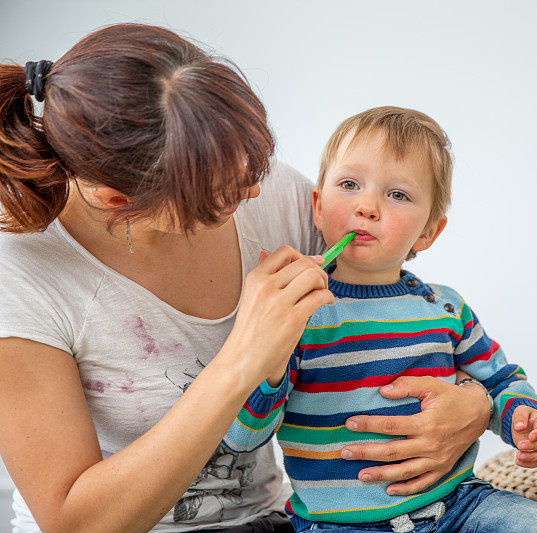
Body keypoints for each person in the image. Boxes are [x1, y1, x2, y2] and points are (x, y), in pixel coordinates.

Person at [0, 25, 495, 532]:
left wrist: (477, 403)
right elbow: (73, 523)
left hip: (279, 520)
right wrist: (243, 357)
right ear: (116, 201)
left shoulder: (271, 191)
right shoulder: (21, 279)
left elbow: (387, 320)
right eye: (221, 196)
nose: (255, 192)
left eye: (253, 165)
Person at [222, 107, 537, 532]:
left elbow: (499, 380)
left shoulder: (446, 308)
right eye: (349, 184)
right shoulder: (299, 313)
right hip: (337, 525)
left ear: (428, 232)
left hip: (457, 507)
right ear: (318, 208)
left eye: (397, 194)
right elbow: (243, 438)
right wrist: (271, 356)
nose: (367, 206)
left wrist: (523, 415)